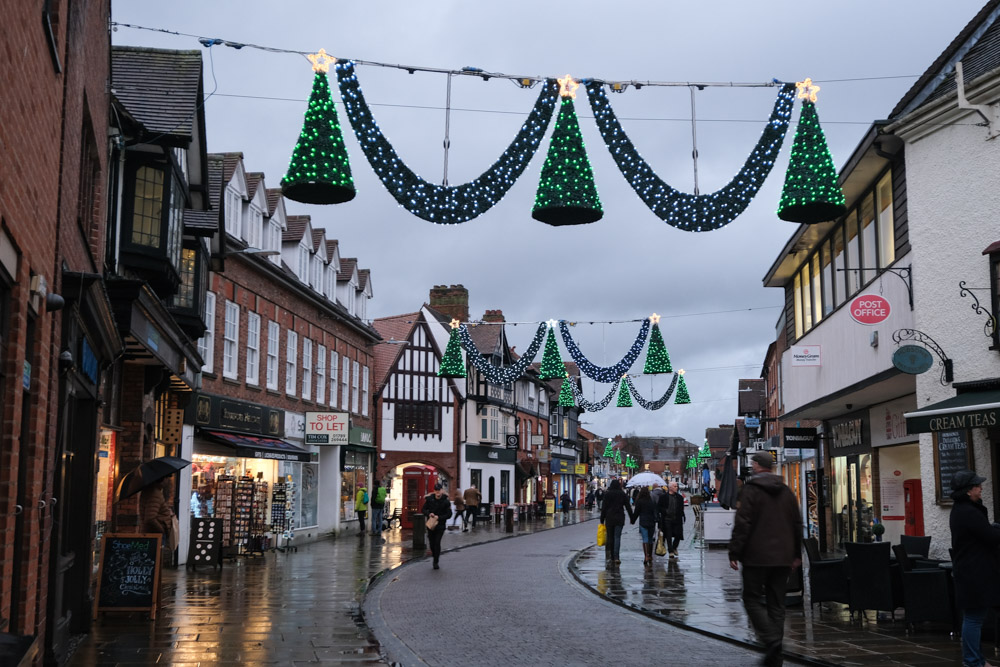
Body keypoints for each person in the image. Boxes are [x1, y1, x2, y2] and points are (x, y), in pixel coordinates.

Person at [728, 451, 802, 667]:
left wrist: (734, 552)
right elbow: (797, 524)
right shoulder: (786, 491)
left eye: (753, 463)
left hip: (756, 557)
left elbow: (743, 524)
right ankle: (775, 655)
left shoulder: (750, 491)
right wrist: (796, 554)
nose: (751, 465)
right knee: (777, 604)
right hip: (783, 558)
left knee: (751, 599)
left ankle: (771, 640)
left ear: (758, 466)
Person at [949, 469, 1000, 667]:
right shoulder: (968, 512)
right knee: (974, 618)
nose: (981, 488)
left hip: (973, 571)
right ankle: (972, 661)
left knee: (975, 616)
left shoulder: (963, 510)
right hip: (974, 573)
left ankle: (977, 659)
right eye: (977, 486)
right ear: (969, 491)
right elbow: (990, 536)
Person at [599, 479, 633, 567]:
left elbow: (604, 507)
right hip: (619, 517)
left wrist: (602, 519)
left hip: (609, 518)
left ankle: (612, 557)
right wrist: (632, 518)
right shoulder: (622, 494)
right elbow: (628, 506)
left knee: (610, 537)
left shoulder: (607, 494)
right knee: (617, 537)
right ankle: (617, 557)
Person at [422, 482, 452, 569]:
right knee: (431, 543)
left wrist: (439, 517)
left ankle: (436, 561)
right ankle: (435, 555)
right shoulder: (430, 499)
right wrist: (429, 513)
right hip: (431, 524)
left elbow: (449, 514)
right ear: (434, 491)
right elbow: (423, 509)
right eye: (436, 490)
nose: (438, 492)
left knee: (437, 542)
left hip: (440, 525)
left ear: (442, 490)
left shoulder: (446, 501)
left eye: (439, 490)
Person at [630, 486, 658, 566]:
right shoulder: (652, 501)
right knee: (650, 539)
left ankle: (646, 556)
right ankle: (650, 555)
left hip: (643, 522)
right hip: (651, 522)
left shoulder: (640, 501)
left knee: (645, 539)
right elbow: (655, 511)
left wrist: (633, 520)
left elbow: (636, 512)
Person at [660, 481, 686, 558]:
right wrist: (665, 511)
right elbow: (659, 507)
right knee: (668, 535)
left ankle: (674, 547)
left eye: (676, 486)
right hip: (667, 519)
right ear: (670, 487)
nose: (676, 487)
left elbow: (681, 508)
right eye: (675, 486)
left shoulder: (679, 497)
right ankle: (670, 551)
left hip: (677, 519)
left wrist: (682, 515)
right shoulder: (663, 497)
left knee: (678, 535)